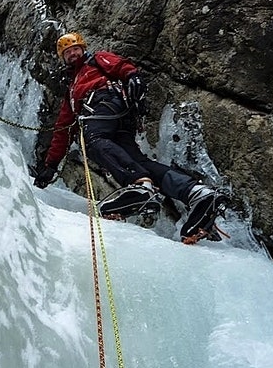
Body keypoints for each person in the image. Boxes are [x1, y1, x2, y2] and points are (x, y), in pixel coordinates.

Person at [34, 32, 229, 242]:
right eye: (67, 53)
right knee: (137, 160)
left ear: (82, 49)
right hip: (115, 116)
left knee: (94, 142)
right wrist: (51, 164)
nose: (72, 54)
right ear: (63, 58)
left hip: (104, 104)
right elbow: (63, 129)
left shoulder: (95, 60)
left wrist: (131, 75)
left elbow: (119, 65)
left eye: (75, 49)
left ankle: (139, 185)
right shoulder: (71, 91)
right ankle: (196, 192)